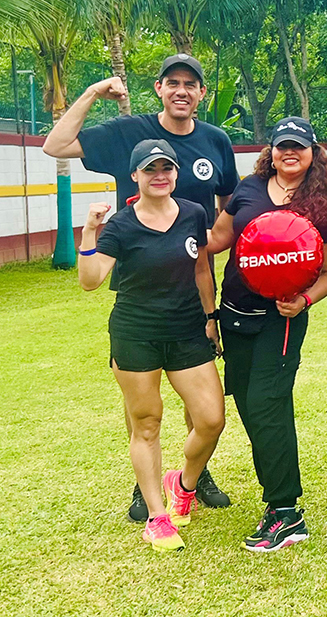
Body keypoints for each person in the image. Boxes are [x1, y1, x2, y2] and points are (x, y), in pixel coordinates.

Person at [44, 53, 237, 519]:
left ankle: (195, 475)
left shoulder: (216, 141)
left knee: (203, 407)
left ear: (201, 93)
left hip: (191, 287)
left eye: (190, 84)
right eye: (173, 82)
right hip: (139, 289)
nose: (181, 91)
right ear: (159, 88)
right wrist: (93, 92)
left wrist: (213, 305)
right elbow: (56, 145)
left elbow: (229, 206)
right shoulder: (129, 132)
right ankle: (145, 488)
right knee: (144, 408)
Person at [78, 139, 225, 552]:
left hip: (187, 330)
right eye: (150, 169)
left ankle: (183, 484)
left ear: (176, 173)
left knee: (211, 420)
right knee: (147, 423)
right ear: (135, 176)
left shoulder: (193, 213)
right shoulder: (121, 225)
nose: (159, 175)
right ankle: (158, 517)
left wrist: (211, 317)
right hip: (136, 334)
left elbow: (201, 268)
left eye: (166, 168)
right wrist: (90, 230)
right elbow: (90, 280)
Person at [207, 117, 327, 552]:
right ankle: (276, 501)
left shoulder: (321, 200)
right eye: (283, 145)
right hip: (234, 314)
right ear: (271, 151)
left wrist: (304, 300)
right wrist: (167, 224)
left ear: (313, 152)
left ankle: (287, 511)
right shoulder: (248, 188)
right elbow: (216, 240)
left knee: (268, 406)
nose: (290, 153)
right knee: (249, 406)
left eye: (299, 146)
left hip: (280, 320)